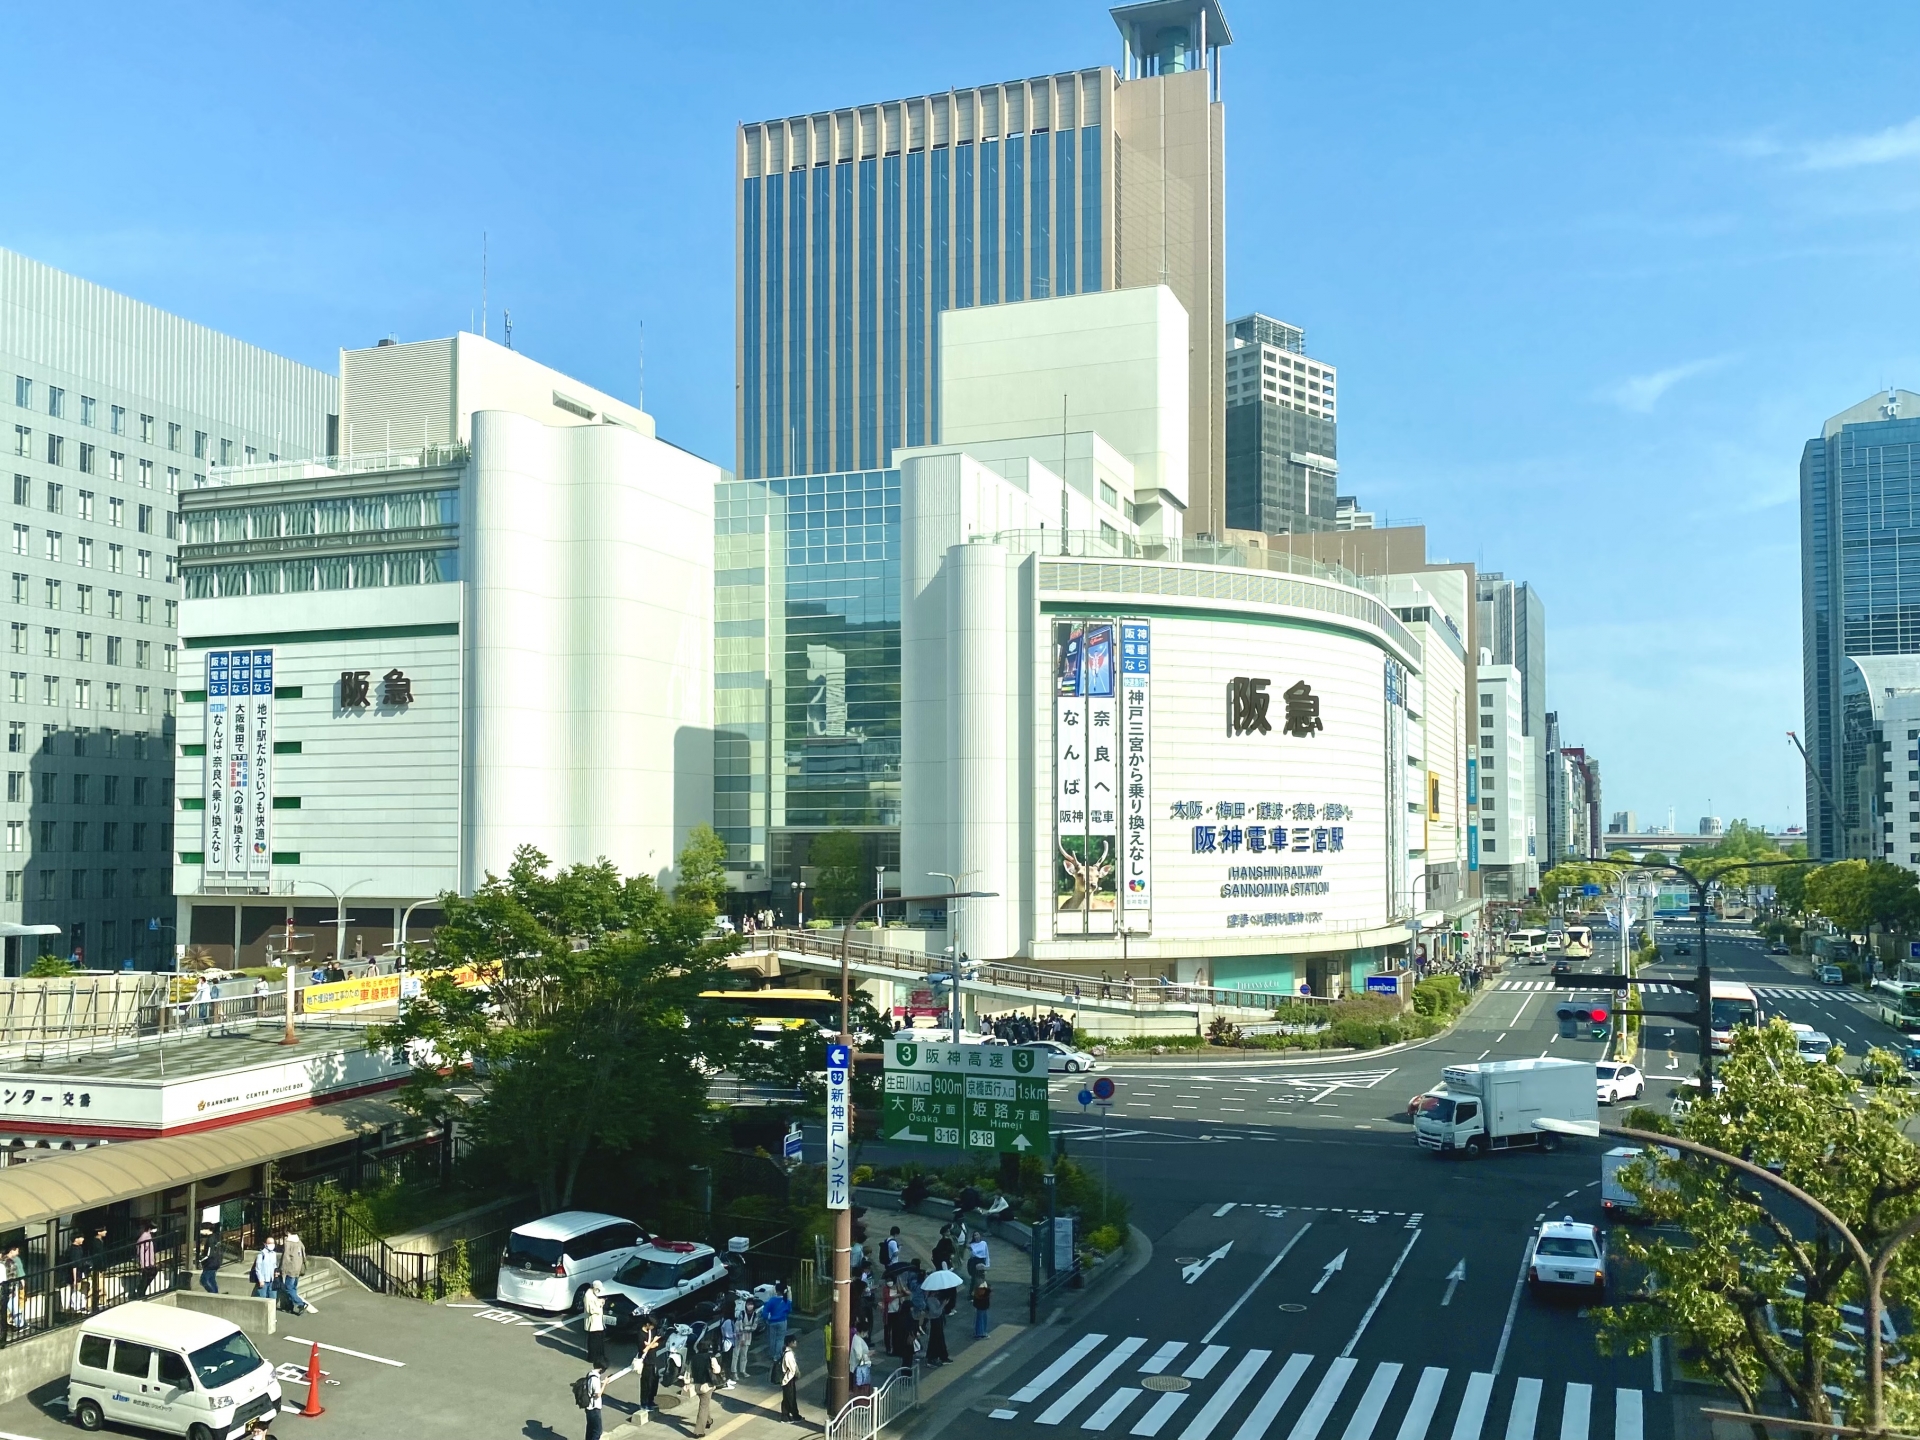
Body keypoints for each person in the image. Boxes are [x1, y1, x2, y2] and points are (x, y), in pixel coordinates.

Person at [761, 1282, 792, 1378]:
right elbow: (789, 1310)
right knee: (780, 1339)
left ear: (776, 1291)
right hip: (782, 1321)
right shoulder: (786, 1300)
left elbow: (765, 1311)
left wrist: (767, 1318)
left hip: (772, 1322)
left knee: (772, 1338)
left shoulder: (772, 1300)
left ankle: (772, 1354)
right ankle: (777, 1356)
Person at [693, 1346, 723, 1434]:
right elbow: (717, 1370)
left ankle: (708, 1420)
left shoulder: (694, 1357)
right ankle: (699, 1431)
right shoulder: (710, 1357)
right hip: (707, 1385)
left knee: (704, 1403)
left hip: (696, 1384)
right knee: (703, 1406)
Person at [637, 1320, 663, 1416]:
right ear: (647, 1324)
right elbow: (644, 1349)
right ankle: (644, 1403)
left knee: (654, 1382)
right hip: (646, 1362)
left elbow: (658, 1343)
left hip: (653, 1360)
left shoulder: (651, 1332)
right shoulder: (640, 1334)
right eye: (652, 1326)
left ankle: (651, 1401)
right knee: (646, 1383)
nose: (653, 1328)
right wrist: (653, 1343)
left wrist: (651, 1345)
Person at [280, 1229, 310, 1313]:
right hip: (298, 1268)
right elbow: (304, 1255)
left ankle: (301, 1303)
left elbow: (286, 1257)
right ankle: (290, 1306)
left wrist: (282, 1269)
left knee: (288, 1288)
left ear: (288, 1233)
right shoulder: (299, 1242)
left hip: (291, 1269)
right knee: (293, 1288)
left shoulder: (288, 1243)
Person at [583, 1280, 608, 1368]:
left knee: (599, 1339)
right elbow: (590, 1310)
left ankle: (599, 1356)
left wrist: (600, 1301)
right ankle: (593, 1357)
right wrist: (600, 1305)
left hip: (597, 1321)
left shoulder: (593, 1294)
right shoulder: (588, 1296)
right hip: (593, 1322)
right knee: (594, 1340)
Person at [778, 1336, 802, 1423]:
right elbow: (792, 1368)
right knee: (790, 1398)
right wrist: (797, 1374)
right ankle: (790, 1416)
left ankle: (789, 1415)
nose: (795, 1343)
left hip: (787, 1379)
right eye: (794, 1341)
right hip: (788, 1379)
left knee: (787, 1398)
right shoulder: (788, 1354)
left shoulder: (786, 1352)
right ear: (790, 1343)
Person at [926, 1287, 950, 1366]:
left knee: (939, 1338)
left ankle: (941, 1356)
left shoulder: (935, 1298)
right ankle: (933, 1357)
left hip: (938, 1320)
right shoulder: (930, 1300)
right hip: (935, 1321)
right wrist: (943, 1305)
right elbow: (935, 1312)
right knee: (935, 1339)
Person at [581, 1364, 606, 1440]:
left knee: (590, 1429)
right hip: (594, 1408)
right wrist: (604, 1384)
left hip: (588, 1407)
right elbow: (598, 1394)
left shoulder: (590, 1374)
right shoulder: (595, 1379)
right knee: (597, 1431)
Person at [850, 1326, 872, 1396]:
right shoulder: (857, 1341)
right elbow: (859, 1356)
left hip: (859, 1367)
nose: (867, 1335)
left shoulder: (857, 1339)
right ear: (862, 1332)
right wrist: (868, 1354)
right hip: (859, 1368)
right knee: (860, 1388)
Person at [198, 1227, 222, 1294]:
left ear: (208, 1230)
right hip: (215, 1262)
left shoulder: (210, 1240)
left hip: (210, 1263)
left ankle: (213, 1293)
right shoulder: (216, 1238)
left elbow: (208, 1254)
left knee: (203, 1280)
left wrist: (200, 1260)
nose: (201, 1231)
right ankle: (215, 1293)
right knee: (212, 1280)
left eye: (203, 1229)